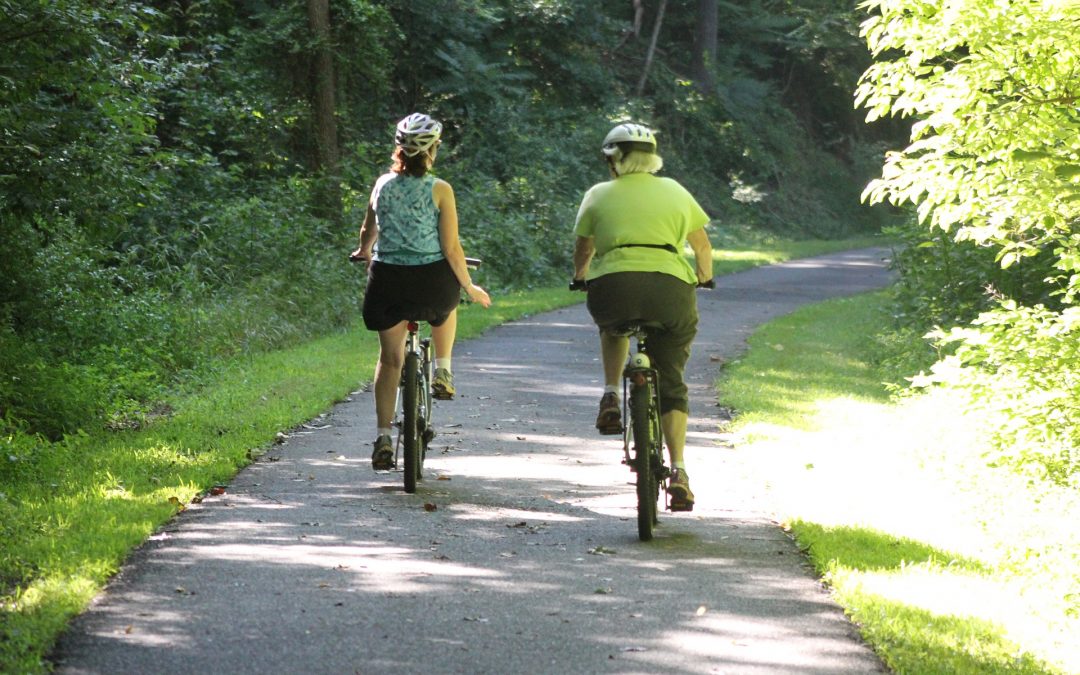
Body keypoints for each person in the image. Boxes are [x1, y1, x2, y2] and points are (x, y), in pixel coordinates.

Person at [571, 122, 713, 510]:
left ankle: (611, 395)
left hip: (613, 286)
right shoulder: (676, 190)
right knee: (672, 380)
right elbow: (701, 246)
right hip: (670, 289)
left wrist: (580, 277)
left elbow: (584, 248)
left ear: (614, 159)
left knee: (613, 325)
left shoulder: (598, 194)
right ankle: (679, 470)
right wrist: (705, 277)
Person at [351, 112, 491, 471]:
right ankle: (442, 369)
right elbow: (451, 249)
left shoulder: (382, 185)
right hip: (431, 283)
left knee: (390, 360)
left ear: (399, 149)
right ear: (434, 149)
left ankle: (383, 436)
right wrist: (468, 285)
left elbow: (368, 231)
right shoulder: (440, 189)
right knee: (448, 304)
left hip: (387, 282)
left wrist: (365, 252)